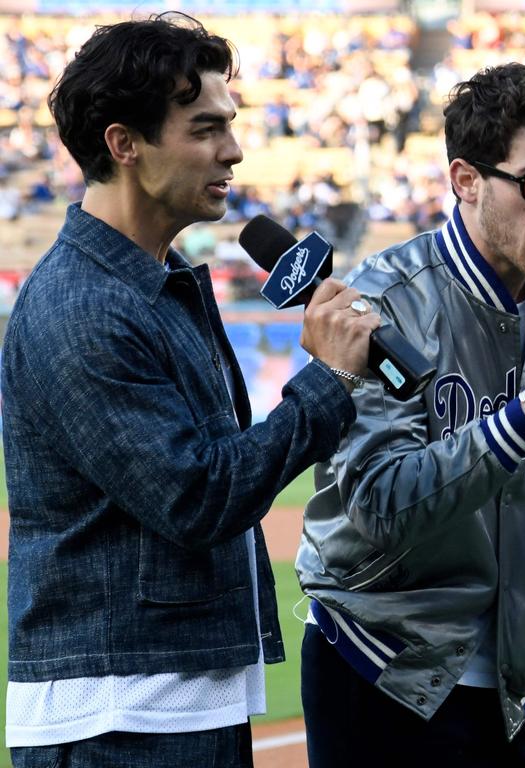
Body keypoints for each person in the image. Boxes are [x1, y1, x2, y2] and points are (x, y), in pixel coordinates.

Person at [1, 13, 379, 767]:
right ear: (124, 143)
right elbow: (198, 496)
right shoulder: (83, 306)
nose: (233, 150)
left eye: (230, 126)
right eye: (206, 128)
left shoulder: (149, 285)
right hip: (118, 720)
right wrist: (329, 381)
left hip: (167, 699)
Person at [295, 62, 525, 766]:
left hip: (512, 685)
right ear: (467, 180)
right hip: (382, 674)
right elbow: (380, 502)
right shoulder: (381, 305)